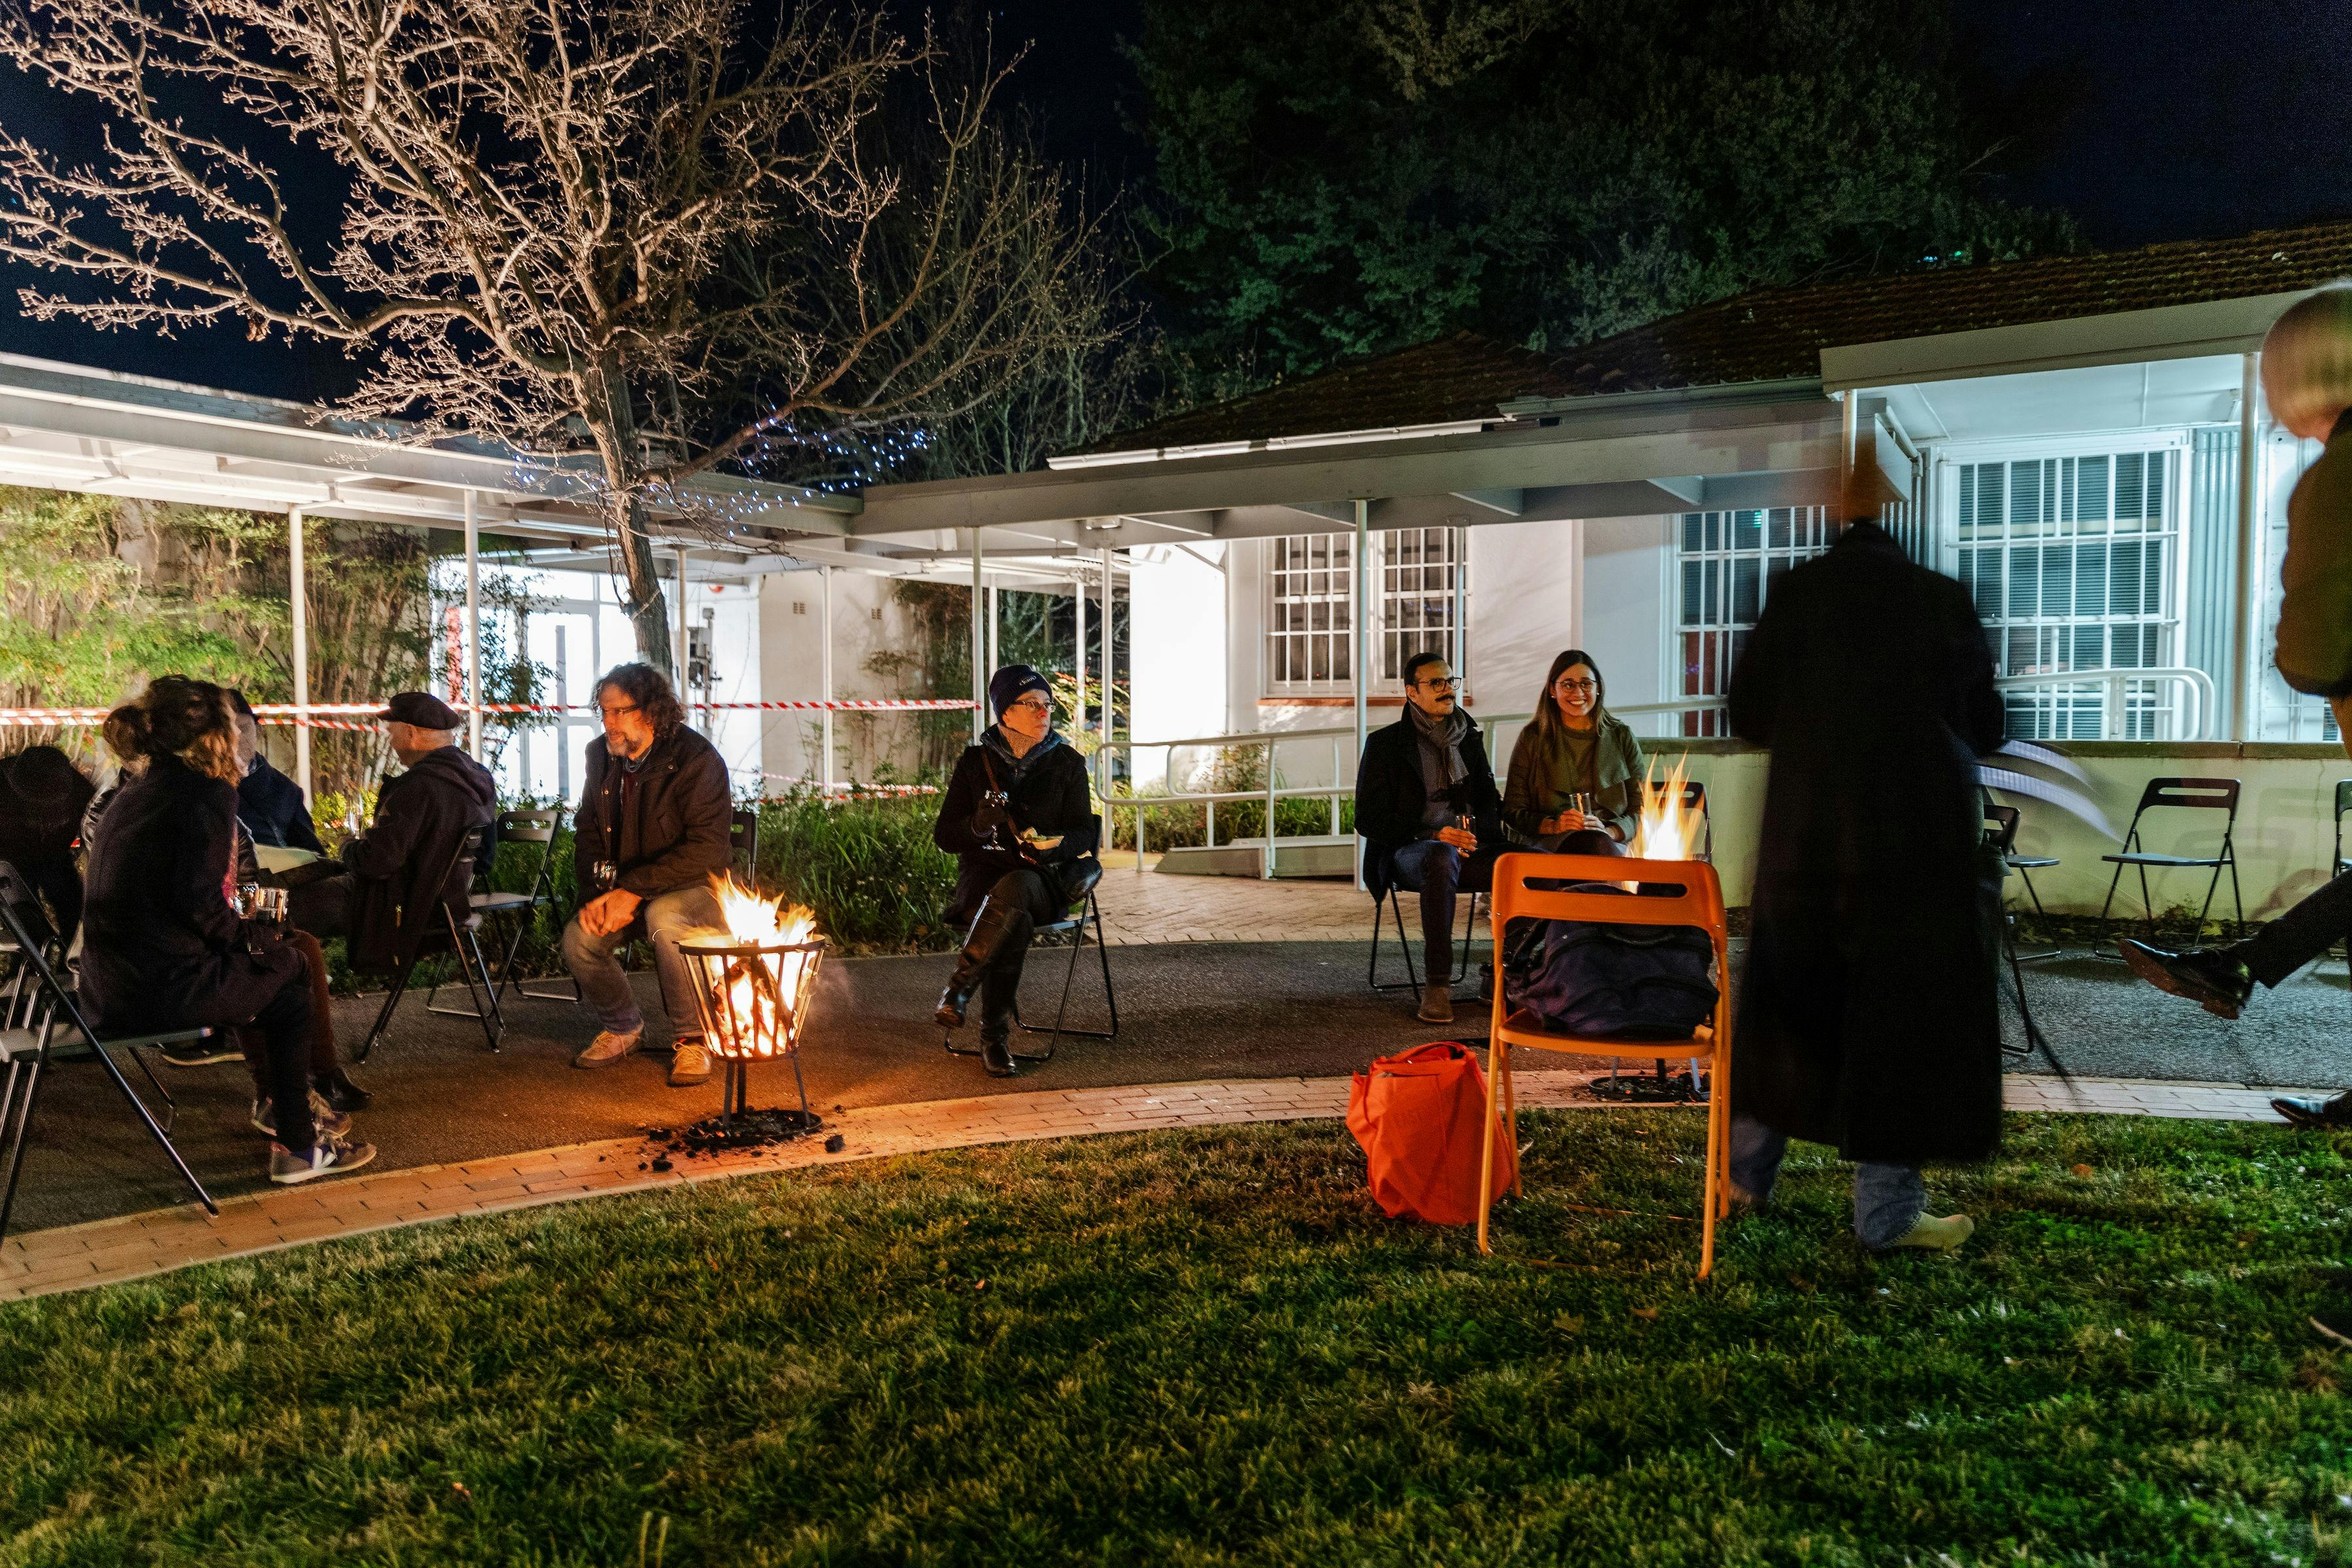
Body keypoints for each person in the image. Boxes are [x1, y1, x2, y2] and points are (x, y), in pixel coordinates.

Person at [1727, 514, 2006, 1253]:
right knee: (1896, 1029)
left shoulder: (1795, 595)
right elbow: (1986, 725)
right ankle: (1887, 1216)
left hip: (1806, 840)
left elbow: (1748, 714)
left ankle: (1743, 1181)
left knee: (1787, 1010)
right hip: (1914, 852)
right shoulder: (1941, 598)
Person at [2121, 286, 2352, 1143]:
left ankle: (2236, 969)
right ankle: (2237, 969)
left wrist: (2305, 671)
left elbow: (2314, 646)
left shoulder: (2338, 481)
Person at [77, 676, 372, 1184]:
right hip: (161, 990)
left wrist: (250, 946)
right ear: (220, 734)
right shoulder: (204, 794)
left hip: (107, 988)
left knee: (273, 971)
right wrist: (255, 943)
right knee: (290, 971)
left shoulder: (136, 792)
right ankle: (297, 1145)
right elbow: (202, 904)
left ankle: (286, 1118)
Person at [563, 662, 733, 1086]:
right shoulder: (600, 756)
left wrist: (632, 892)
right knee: (579, 939)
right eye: (603, 711)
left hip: (695, 887)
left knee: (664, 919)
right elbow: (587, 831)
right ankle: (623, 1028)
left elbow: (708, 850)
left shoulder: (696, 759)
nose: (609, 722)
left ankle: (693, 1041)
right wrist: (599, 893)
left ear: (652, 712)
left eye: (619, 711)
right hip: (629, 888)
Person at [931, 665, 1102, 1077]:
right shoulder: (976, 762)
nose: (1044, 712)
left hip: (1042, 881)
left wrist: (1056, 843)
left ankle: (959, 992)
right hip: (984, 881)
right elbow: (945, 835)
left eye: (1047, 704)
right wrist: (976, 825)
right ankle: (994, 1037)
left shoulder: (1067, 763)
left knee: (1019, 889)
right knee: (1013, 913)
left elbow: (1085, 833)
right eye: (1032, 704)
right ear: (1006, 712)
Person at [287, 693, 497, 983]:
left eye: (392, 732)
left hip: (399, 906)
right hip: (449, 904)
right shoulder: (478, 777)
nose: (391, 742)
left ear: (410, 733)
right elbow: (485, 860)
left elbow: (376, 863)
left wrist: (347, 846)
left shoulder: (418, 787)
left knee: (279, 909)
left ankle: (287, 1001)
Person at [1354, 652, 1501, 1025]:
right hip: (1411, 852)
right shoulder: (1386, 744)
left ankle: (1508, 975)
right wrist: (1434, 833)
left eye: (1450, 681)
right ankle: (1438, 985)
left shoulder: (1468, 737)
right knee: (1439, 857)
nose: (1447, 689)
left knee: (1530, 866)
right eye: (1435, 683)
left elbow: (1489, 803)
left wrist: (1478, 833)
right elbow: (1367, 818)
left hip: (1467, 850)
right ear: (1411, 692)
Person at [1502, 649, 1643, 855]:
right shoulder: (1532, 738)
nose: (1578, 693)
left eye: (1586, 684)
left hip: (1610, 842)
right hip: (1551, 844)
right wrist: (1554, 826)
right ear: (1552, 689)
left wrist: (1608, 831)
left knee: (1597, 846)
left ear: (1598, 688)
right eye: (1568, 685)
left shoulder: (1621, 736)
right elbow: (1512, 812)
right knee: (1587, 848)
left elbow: (1642, 808)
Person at [0, 744, 94, 946]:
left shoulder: (82, 795)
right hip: (11, 860)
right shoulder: (3, 792)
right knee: (22, 917)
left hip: (55, 855)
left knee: (71, 905)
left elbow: (92, 838)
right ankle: (30, 959)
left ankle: (69, 959)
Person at [226, 691, 324, 853]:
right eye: (227, 731)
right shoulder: (197, 786)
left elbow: (312, 855)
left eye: (244, 728)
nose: (236, 738)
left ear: (258, 731)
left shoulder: (285, 791)